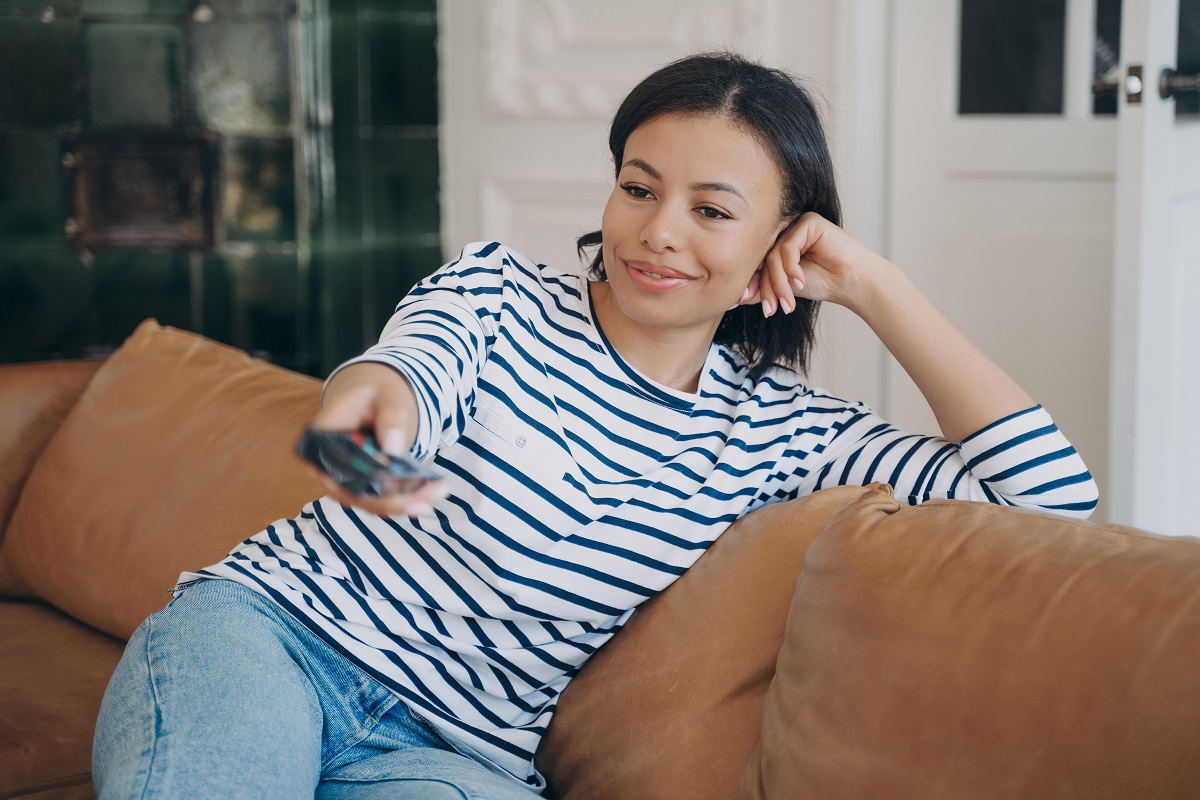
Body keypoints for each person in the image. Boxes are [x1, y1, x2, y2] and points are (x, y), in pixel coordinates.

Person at [92, 52, 1098, 799]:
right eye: (639, 187)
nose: (659, 230)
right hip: (272, 638)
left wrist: (879, 286)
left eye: (713, 210)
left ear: (779, 247)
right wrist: (374, 417)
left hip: (454, 753)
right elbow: (387, 384)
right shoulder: (499, 295)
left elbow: (1051, 503)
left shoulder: (785, 434)